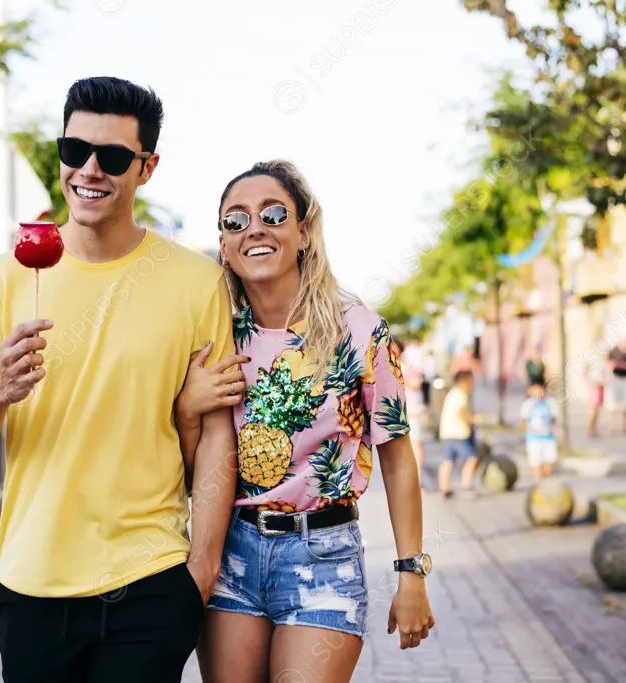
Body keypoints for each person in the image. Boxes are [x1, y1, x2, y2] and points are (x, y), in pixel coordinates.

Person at [0, 77, 237, 683]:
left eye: (115, 157)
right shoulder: (4, 279)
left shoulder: (194, 280)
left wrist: (200, 569)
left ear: (147, 168)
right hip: (32, 581)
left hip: (150, 579)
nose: (90, 170)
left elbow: (216, 437)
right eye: (75, 151)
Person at [174, 160, 434, 682]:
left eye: (273, 213)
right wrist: (186, 409)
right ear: (223, 245)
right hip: (230, 553)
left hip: (324, 558)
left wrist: (411, 574)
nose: (255, 229)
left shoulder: (358, 331)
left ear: (304, 232)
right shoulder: (211, 333)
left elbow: (398, 460)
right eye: (236, 220)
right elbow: (187, 459)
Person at [437, 370, 482, 499]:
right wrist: (474, 419)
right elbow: (462, 413)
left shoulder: (452, 393)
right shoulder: (461, 395)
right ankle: (466, 486)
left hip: (447, 432)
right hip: (459, 433)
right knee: (472, 458)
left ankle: (444, 487)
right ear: (465, 381)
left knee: (448, 460)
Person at [520, 380, 558, 480]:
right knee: (536, 462)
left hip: (548, 437)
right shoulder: (528, 404)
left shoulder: (550, 402)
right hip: (534, 438)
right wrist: (531, 431)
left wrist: (551, 428)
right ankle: (539, 483)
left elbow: (554, 419)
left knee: (550, 459)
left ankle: (543, 479)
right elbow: (523, 421)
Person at [606, 339, 626, 435]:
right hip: (616, 378)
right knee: (613, 404)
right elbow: (609, 363)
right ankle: (613, 426)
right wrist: (617, 365)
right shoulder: (614, 351)